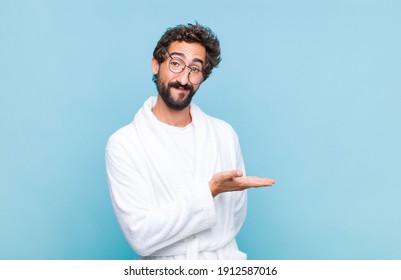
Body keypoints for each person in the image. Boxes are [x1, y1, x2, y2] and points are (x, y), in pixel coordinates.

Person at [105, 23, 275, 260]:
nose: (184, 78)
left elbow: (234, 218)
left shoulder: (224, 134)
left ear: (203, 76)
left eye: (195, 69)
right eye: (176, 63)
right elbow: (141, 236)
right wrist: (210, 191)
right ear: (156, 64)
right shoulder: (125, 144)